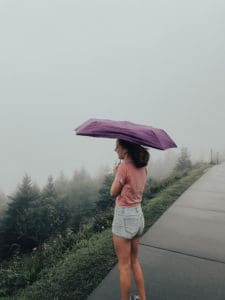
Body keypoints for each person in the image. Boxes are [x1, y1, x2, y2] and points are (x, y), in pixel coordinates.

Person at [110, 139, 150, 300]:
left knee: (124, 267)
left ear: (125, 149)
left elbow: (113, 192)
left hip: (124, 217)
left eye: (117, 147)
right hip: (138, 215)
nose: (115, 150)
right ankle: (142, 298)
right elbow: (140, 189)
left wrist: (116, 175)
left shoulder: (123, 168)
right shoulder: (143, 168)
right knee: (134, 260)